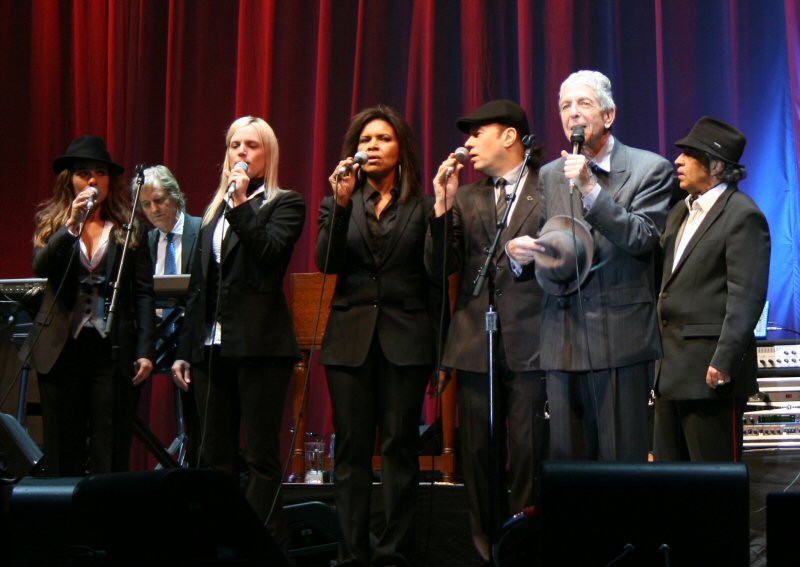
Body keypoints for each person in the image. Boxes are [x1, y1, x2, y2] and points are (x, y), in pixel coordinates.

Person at [508, 70, 674, 462]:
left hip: (619, 338)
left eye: (583, 103)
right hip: (562, 338)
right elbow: (555, 242)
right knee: (569, 468)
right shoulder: (551, 174)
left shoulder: (650, 169)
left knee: (620, 467)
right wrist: (525, 256)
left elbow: (641, 238)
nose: (573, 113)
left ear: (609, 115)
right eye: (565, 106)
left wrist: (590, 190)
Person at [317, 105, 444, 567]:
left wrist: (440, 353)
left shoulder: (424, 206)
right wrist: (340, 204)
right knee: (351, 450)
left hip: (406, 338)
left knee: (399, 447)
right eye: (364, 140)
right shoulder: (338, 202)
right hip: (349, 340)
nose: (371, 146)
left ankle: (394, 554)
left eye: (382, 139)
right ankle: (350, 554)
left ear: (401, 148)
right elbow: (327, 262)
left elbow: (438, 273)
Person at [171, 116, 305, 555]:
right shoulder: (214, 212)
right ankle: (223, 544)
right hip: (211, 347)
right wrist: (185, 349)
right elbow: (198, 286)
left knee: (261, 456)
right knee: (215, 455)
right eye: (234, 145)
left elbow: (268, 255)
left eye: (251, 145)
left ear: (268, 154)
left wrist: (243, 202)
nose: (241, 152)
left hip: (260, 346)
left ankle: (261, 547)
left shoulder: (285, 203)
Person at [428, 99, 548, 565]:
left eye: (479, 133)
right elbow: (440, 265)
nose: (469, 142)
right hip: (476, 343)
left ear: (510, 136)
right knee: (477, 455)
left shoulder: (547, 185)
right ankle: (486, 553)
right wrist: (442, 205)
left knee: (530, 452)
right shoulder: (467, 197)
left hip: (533, 340)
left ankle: (526, 549)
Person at [19, 135, 155, 476]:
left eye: (100, 173)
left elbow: (143, 293)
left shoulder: (128, 228)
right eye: (83, 173)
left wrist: (145, 350)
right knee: (63, 450)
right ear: (70, 181)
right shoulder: (53, 223)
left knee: (110, 449)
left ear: (110, 181)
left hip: (111, 350)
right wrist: (72, 226)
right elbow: (41, 266)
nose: (92, 180)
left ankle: (106, 511)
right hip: (61, 350)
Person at [654, 116, 770, 461]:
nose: (678, 161)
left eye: (689, 154)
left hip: (710, 374)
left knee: (715, 478)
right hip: (669, 371)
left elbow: (746, 296)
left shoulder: (742, 214)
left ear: (716, 166)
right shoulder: (679, 212)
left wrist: (724, 360)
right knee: (671, 476)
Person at [136, 164, 202, 466]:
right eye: (146, 204)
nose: (154, 209)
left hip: (195, 336)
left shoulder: (201, 230)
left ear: (175, 196)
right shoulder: (145, 241)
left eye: (159, 200)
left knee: (197, 412)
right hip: (158, 337)